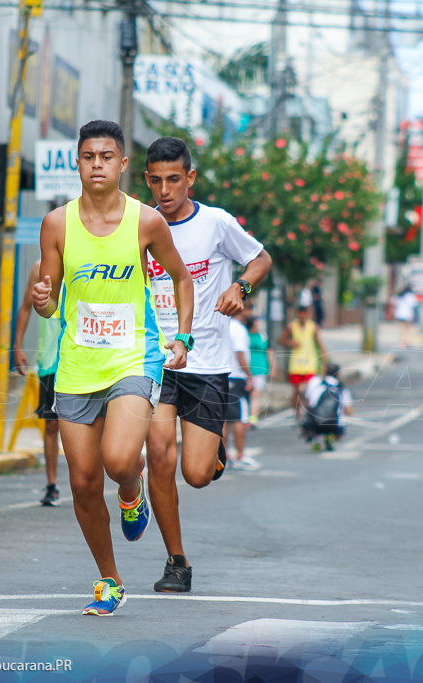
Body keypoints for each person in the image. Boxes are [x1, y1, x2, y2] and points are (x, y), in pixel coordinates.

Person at [32, 120, 194, 616]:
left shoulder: (146, 222)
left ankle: (131, 489)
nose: (96, 164)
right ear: (77, 163)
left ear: (122, 165)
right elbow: (48, 297)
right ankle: (109, 580)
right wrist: (42, 299)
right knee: (82, 483)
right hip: (77, 364)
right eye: (88, 156)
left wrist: (182, 337)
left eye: (106, 156)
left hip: (133, 358)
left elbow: (183, 279)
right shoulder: (57, 224)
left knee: (120, 460)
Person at [141, 136, 271, 592]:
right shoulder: (140, 224)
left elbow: (260, 258)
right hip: (155, 359)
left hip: (209, 362)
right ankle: (176, 561)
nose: (165, 190)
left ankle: (211, 452)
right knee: (158, 453)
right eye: (155, 181)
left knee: (195, 475)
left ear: (190, 178)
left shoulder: (215, 223)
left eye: (173, 179)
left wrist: (241, 288)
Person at [14, 259, 62, 506]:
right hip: (51, 360)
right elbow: (25, 307)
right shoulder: (39, 267)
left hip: (85, 360)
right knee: (51, 426)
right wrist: (17, 345)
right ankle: (52, 485)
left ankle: (86, 482)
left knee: (87, 426)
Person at [279, 305, 327, 422]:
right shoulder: (291, 326)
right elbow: (281, 339)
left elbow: (319, 342)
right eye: (300, 314)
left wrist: (324, 358)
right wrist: (291, 343)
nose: (302, 316)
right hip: (296, 364)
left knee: (307, 390)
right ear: (297, 315)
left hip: (310, 363)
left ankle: (307, 412)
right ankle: (296, 413)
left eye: (304, 314)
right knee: (296, 391)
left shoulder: (312, 327)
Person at [224, 315, 258, 470]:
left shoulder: (223, 324)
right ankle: (240, 455)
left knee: (223, 418)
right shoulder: (238, 328)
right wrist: (249, 376)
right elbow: (240, 355)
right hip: (236, 376)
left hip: (221, 375)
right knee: (239, 418)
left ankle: (223, 455)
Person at [302, 363, 353, 452]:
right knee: (341, 417)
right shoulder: (341, 388)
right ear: (338, 374)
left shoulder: (315, 382)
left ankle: (315, 439)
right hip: (334, 424)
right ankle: (330, 436)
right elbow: (349, 411)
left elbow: (308, 402)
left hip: (315, 423)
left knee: (308, 412)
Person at [247, 316, 273, 423]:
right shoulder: (245, 335)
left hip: (260, 368)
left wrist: (272, 368)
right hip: (247, 368)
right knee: (247, 392)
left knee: (255, 393)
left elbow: (270, 351)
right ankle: (246, 415)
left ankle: (253, 416)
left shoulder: (263, 336)